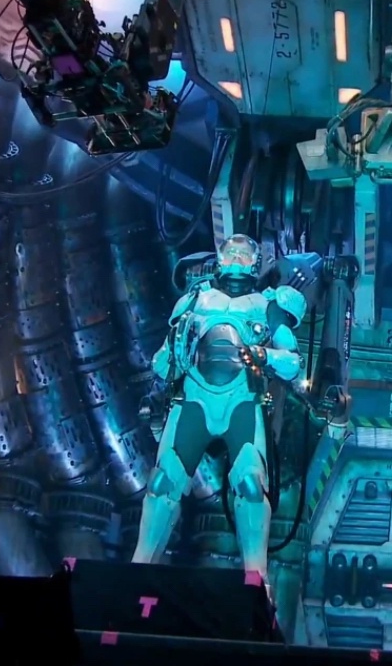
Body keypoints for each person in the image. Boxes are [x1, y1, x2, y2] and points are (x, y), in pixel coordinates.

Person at [132, 235, 306, 587]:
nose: (237, 258)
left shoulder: (268, 304)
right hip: (194, 399)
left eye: (244, 254)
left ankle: (256, 580)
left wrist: (265, 355)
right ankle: (137, 570)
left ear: (255, 263)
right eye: (231, 252)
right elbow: (163, 362)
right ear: (220, 259)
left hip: (241, 401)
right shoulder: (195, 299)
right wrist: (171, 356)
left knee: (251, 487)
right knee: (162, 483)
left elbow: (293, 364)